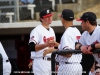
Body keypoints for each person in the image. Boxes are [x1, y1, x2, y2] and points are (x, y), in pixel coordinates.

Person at [28, 8, 57, 75]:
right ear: (41, 19)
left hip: (52, 61)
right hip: (41, 61)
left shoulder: (52, 30)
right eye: (47, 17)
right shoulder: (36, 30)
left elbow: (53, 48)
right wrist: (46, 44)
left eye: (50, 16)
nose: (49, 18)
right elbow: (31, 47)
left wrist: (57, 63)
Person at [56, 9, 82, 75]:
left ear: (63, 19)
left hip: (68, 67)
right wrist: (59, 45)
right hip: (77, 66)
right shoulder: (77, 31)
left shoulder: (67, 33)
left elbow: (68, 54)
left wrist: (53, 50)